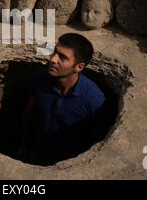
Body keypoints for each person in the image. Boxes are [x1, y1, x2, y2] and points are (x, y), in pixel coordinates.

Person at [18, 33, 106, 165]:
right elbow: (30, 113)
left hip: (70, 165)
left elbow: (99, 140)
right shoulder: (40, 78)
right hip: (37, 154)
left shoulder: (94, 99)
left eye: (62, 57)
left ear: (79, 67)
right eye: (54, 52)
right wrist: (24, 145)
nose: (53, 59)